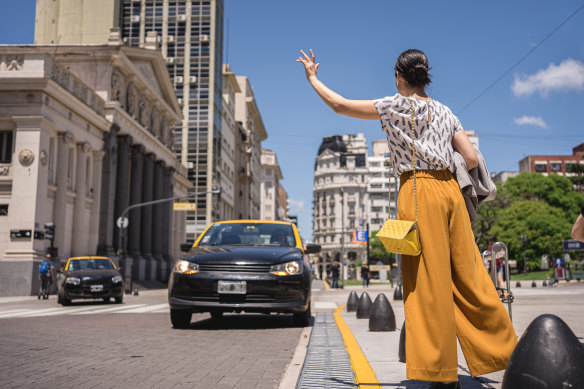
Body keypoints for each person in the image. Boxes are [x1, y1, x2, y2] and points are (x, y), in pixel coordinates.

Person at [298, 48, 517, 387]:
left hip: (418, 191)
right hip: (452, 197)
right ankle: (505, 352)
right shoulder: (446, 112)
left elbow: (340, 105)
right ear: (424, 76)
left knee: (427, 286)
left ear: (399, 77)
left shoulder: (393, 105)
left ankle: (440, 374)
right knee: (469, 275)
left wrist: (313, 77)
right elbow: (471, 159)